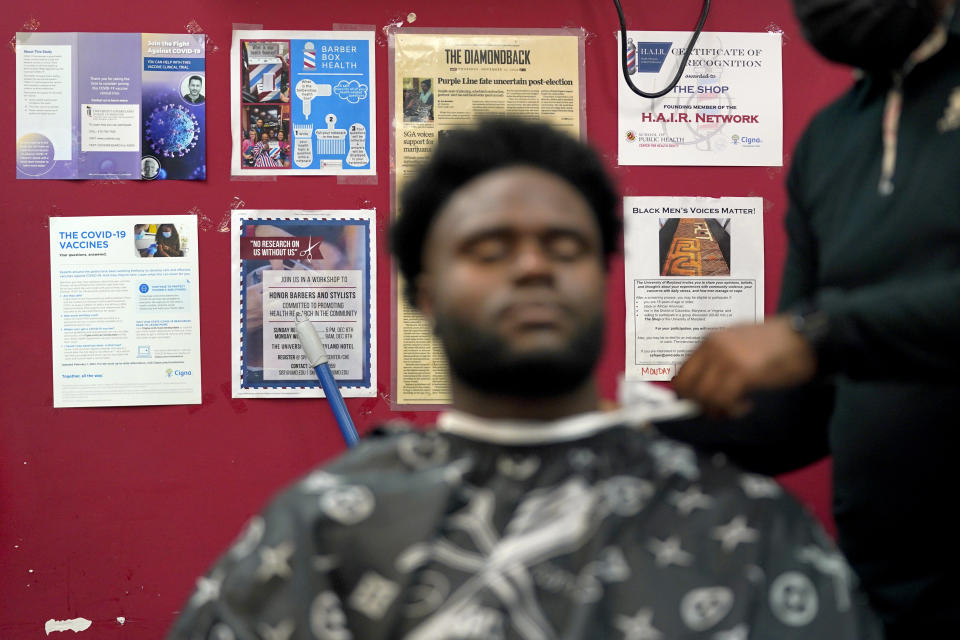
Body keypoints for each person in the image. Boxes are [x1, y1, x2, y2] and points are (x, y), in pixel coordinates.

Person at [168, 119, 879, 639]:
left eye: (564, 246)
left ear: (602, 280)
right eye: (489, 248)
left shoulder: (746, 528)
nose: (533, 266)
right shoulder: (325, 527)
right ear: (425, 296)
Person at [662, 1, 960, 637]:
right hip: (888, 604)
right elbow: (798, 408)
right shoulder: (831, 140)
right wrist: (645, 433)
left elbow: (818, 341)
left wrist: (822, 335)